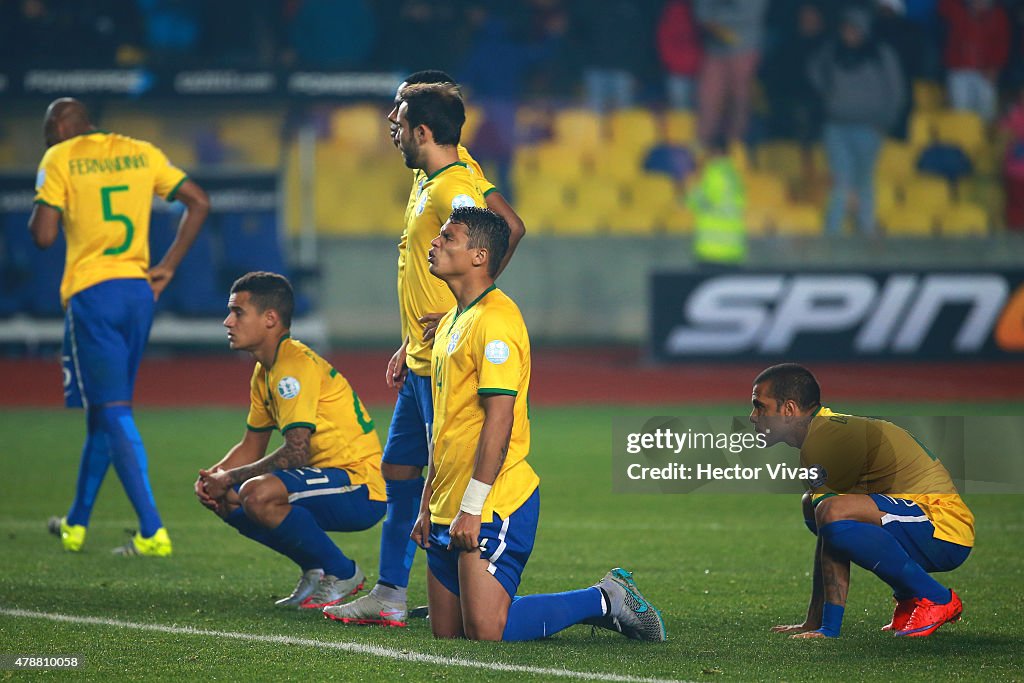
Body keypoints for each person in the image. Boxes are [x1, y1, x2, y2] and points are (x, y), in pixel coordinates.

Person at [331, 205, 666, 642]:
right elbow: (443, 430)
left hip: (494, 501)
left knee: (488, 630)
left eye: (447, 237)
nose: (433, 242)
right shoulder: (451, 321)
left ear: (478, 256)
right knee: (447, 635)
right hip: (446, 504)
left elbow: (500, 421)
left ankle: (605, 598)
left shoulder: (497, 320)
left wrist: (472, 506)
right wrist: (425, 505)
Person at [328, 74, 525, 627]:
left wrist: (468, 308)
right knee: (399, 470)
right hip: (420, 355)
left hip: (444, 364)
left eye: (398, 118)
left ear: (420, 129)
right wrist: (409, 338)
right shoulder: (435, 174)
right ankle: (391, 592)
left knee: (445, 472)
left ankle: (473, 588)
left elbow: (505, 229)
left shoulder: (449, 187)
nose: (390, 127)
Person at [32, 97, 209, 556]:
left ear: (58, 128)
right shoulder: (141, 151)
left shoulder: (59, 157)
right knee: (103, 411)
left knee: (112, 410)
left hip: (93, 295)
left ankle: (152, 530)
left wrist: (46, 190)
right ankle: (76, 523)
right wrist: (168, 265)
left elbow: (43, 234)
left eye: (47, 135)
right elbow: (199, 201)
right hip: (138, 293)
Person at [196, 272, 386, 609]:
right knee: (226, 498)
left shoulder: (291, 368)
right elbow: (250, 446)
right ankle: (315, 568)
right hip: (329, 482)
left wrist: (231, 477)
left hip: (360, 485)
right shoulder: (265, 370)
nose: (227, 321)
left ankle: (343, 571)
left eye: (238, 312)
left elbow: (298, 452)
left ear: (270, 319)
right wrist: (215, 477)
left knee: (256, 493)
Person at [748, 363, 974, 639]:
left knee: (831, 510)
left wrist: (829, 629)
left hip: (944, 531)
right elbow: (829, 534)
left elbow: (833, 518)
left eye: (760, 406)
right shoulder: (822, 434)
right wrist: (815, 623)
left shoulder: (825, 440)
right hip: (921, 522)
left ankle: (936, 597)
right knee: (817, 507)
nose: (753, 416)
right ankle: (910, 596)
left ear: (789, 409)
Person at [808, 7, 905, 235]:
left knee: (864, 180)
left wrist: (885, 122)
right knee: (841, 180)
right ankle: (832, 233)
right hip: (836, 127)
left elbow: (896, 91)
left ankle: (865, 230)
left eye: (854, 29)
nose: (849, 33)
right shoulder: (832, 51)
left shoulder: (881, 54)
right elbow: (814, 71)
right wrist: (829, 97)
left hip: (869, 128)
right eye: (846, 28)